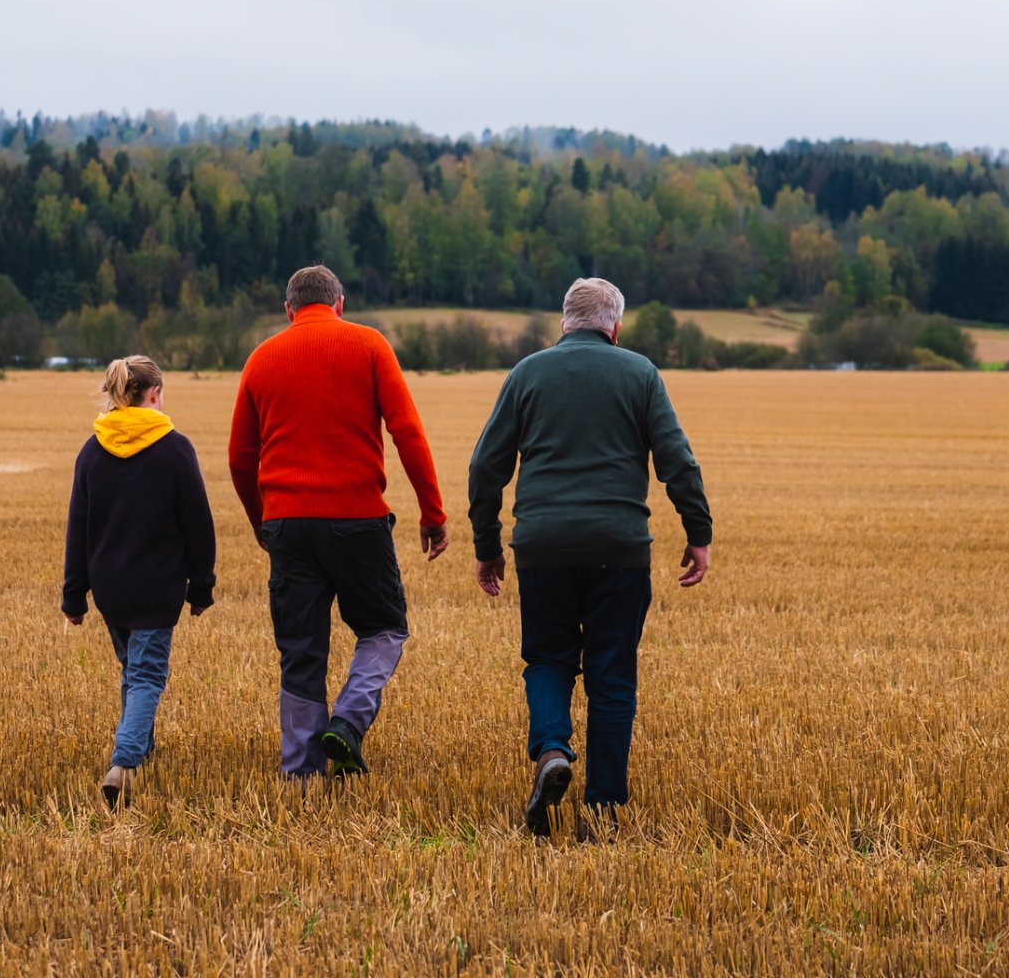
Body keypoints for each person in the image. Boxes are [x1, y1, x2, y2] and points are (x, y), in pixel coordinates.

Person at [467, 277, 712, 837]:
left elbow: (486, 467)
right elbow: (678, 461)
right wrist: (698, 531)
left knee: (549, 660)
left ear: (564, 323)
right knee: (612, 675)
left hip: (542, 547)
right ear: (615, 326)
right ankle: (603, 807)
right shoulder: (640, 374)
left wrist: (487, 546)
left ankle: (552, 748)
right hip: (619, 549)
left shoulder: (527, 374)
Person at [229, 265, 448, 777]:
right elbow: (408, 433)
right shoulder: (369, 346)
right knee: (384, 627)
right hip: (358, 520)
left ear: (289, 310)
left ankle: (302, 774)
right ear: (340, 304)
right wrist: (432, 511)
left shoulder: (262, 359)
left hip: (288, 524)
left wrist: (262, 520)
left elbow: (241, 459)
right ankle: (348, 721)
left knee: (300, 650)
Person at [62, 355, 217, 810]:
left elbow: (78, 526)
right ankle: (123, 764)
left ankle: (142, 749)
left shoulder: (92, 450)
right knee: (147, 674)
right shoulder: (174, 448)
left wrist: (75, 594)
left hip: (111, 589)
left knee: (134, 668)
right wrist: (201, 587)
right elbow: (198, 525)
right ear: (153, 395)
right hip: (157, 587)